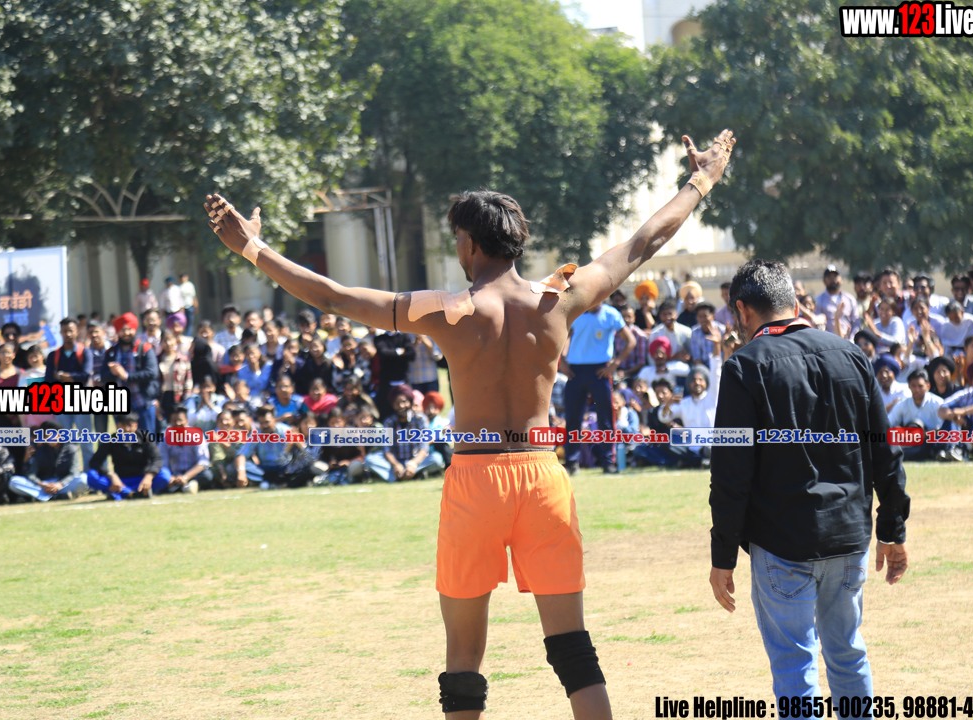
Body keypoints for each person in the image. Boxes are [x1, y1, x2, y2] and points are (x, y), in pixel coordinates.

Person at [205, 126, 734, 718]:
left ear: (470, 243)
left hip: (475, 481)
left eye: (457, 238)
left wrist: (253, 249)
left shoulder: (447, 311)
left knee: (462, 656)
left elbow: (333, 297)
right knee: (572, 648)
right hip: (542, 478)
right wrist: (702, 179)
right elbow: (643, 241)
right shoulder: (560, 299)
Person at [709, 259, 910, 700]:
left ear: (742, 310)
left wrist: (722, 555)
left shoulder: (743, 366)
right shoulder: (852, 355)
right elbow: (885, 450)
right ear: (796, 303)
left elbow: (729, 473)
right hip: (848, 535)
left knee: (795, 663)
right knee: (848, 653)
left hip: (782, 542)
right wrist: (892, 529)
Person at [560, 297, 631, 474]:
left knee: (605, 417)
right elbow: (562, 337)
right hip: (575, 370)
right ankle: (571, 462)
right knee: (573, 417)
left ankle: (608, 462)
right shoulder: (576, 313)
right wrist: (562, 362)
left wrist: (615, 365)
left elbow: (630, 341)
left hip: (600, 370)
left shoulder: (611, 314)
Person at [364, 385, 445, 482]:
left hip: (416, 461)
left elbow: (424, 448)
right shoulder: (389, 422)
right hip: (396, 462)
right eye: (397, 403)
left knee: (436, 459)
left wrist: (413, 464)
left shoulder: (421, 419)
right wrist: (396, 465)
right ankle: (410, 474)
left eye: (404, 402)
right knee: (370, 459)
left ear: (410, 402)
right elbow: (387, 450)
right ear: (392, 404)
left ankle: (400, 475)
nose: (401, 406)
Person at [45, 317, 96, 467]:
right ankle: (70, 472)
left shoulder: (85, 353)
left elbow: (85, 377)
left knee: (85, 439)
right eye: (65, 331)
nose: (68, 334)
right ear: (60, 332)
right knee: (65, 440)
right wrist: (73, 378)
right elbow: (49, 380)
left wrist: (62, 376)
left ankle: (89, 473)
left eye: (71, 331)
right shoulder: (53, 355)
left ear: (77, 331)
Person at [86, 414, 170, 499]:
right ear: (118, 425)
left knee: (165, 475)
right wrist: (111, 475)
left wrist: (149, 477)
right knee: (91, 476)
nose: (126, 429)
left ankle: (123, 493)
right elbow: (95, 462)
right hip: (120, 482)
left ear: (136, 425)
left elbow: (157, 459)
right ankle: (134, 493)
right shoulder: (111, 440)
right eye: (123, 425)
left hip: (142, 479)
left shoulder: (145, 437)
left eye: (130, 425)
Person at [102, 313, 160, 434]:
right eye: (123, 330)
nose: (126, 333)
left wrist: (127, 376)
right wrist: (113, 373)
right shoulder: (111, 352)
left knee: (146, 438)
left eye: (129, 329)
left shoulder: (144, 348)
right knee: (124, 439)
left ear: (135, 330)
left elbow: (152, 373)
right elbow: (103, 376)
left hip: (142, 401)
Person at [8, 420, 90, 501]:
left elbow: (73, 473)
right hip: (44, 485)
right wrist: (41, 484)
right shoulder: (40, 450)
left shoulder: (71, 449)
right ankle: (58, 496)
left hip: (62, 483)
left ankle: (44, 496)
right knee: (14, 481)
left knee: (83, 479)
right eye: (46, 436)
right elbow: (31, 473)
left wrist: (59, 484)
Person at [886, 370, 945, 461]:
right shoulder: (903, 404)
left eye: (920, 386)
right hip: (910, 442)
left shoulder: (938, 403)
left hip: (933, 441)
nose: (917, 390)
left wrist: (924, 435)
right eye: (913, 386)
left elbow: (944, 429)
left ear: (928, 386)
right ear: (909, 386)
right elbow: (888, 423)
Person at [159, 406, 211, 493]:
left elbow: (203, 462)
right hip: (174, 475)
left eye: (180, 420)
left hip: (192, 473)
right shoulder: (164, 437)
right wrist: (170, 477)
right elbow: (163, 462)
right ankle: (183, 486)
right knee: (162, 477)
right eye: (174, 421)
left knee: (207, 475)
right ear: (170, 422)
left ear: (187, 420)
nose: (178, 423)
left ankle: (189, 484)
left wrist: (185, 477)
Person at [815, 265, 859, 338]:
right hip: (828, 341)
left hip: (848, 341)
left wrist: (852, 339)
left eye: (835, 277)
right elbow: (818, 323)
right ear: (824, 281)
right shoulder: (818, 300)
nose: (833, 280)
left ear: (841, 279)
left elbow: (856, 323)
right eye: (830, 278)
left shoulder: (850, 299)